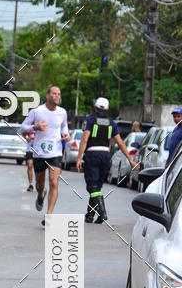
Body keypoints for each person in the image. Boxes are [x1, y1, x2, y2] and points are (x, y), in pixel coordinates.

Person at [75, 97, 134, 223]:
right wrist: (130, 159)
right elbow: (120, 143)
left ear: (95, 107)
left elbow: (85, 139)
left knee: (92, 186)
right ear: (107, 109)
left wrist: (79, 158)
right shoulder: (111, 122)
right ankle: (90, 215)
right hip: (106, 157)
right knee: (97, 186)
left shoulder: (90, 120)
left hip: (92, 155)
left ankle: (102, 212)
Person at [21, 86, 70, 226]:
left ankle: (49, 215)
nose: (57, 96)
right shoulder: (37, 111)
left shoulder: (62, 112)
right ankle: (40, 194)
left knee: (54, 182)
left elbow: (64, 127)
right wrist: (35, 127)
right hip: (39, 153)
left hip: (55, 152)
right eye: (54, 93)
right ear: (48, 95)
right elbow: (22, 128)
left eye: (59, 94)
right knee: (40, 184)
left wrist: (66, 134)